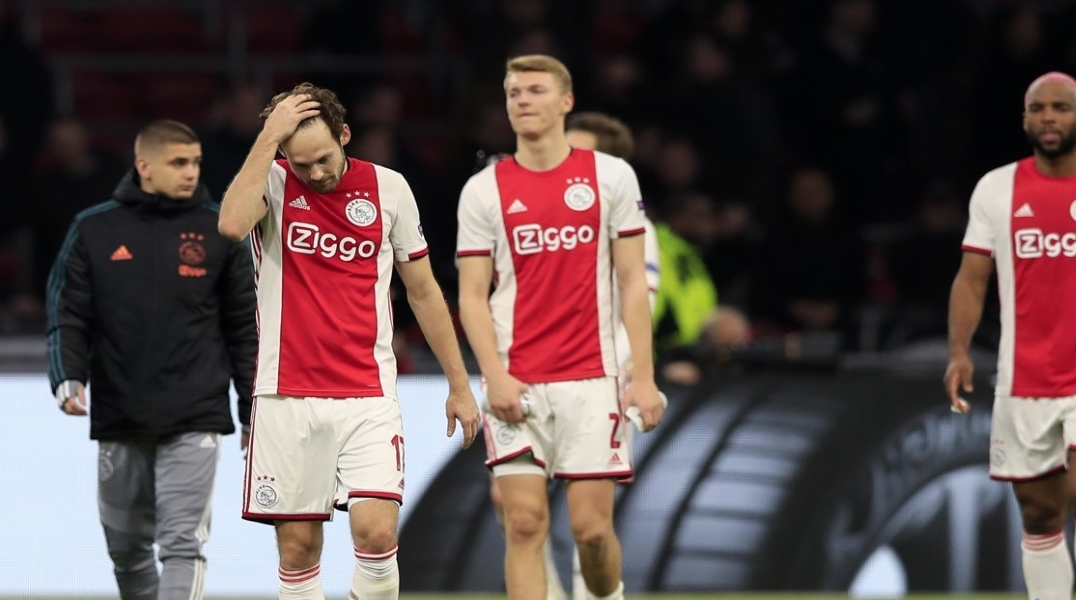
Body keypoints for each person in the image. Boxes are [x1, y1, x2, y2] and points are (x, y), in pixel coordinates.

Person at [216, 83, 479, 600]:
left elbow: (423, 290)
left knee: (377, 536)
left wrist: (459, 384)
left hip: (368, 394)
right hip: (285, 394)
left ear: (345, 135)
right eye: (301, 163)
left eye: (323, 159)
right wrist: (268, 139)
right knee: (298, 550)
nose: (315, 173)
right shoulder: (271, 182)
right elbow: (229, 225)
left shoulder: (389, 187)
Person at [945, 72, 1076, 600]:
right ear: (1024, 120)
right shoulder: (995, 189)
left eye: (1060, 108)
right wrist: (958, 352)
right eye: (1038, 108)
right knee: (1040, 513)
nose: (1048, 117)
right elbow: (972, 278)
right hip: (1023, 378)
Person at [457, 55, 664, 600]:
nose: (523, 100)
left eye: (536, 90)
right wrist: (494, 376)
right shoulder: (483, 189)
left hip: (593, 381)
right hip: (517, 381)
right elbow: (472, 295)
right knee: (523, 523)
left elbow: (633, 284)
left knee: (592, 534)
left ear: (566, 102)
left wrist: (644, 378)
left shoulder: (611, 176)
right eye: (514, 92)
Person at [45, 119, 256, 600]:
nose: (191, 172)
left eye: (195, 162)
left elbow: (246, 329)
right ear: (144, 165)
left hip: (196, 413)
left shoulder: (220, 228)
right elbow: (67, 312)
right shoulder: (94, 228)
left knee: (182, 545)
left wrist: (252, 409)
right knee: (126, 550)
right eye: (178, 162)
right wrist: (67, 376)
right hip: (120, 412)